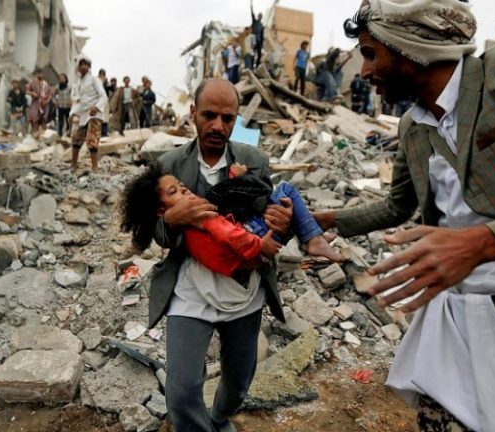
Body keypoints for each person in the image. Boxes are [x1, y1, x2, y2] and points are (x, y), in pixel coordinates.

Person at [313, 1, 495, 430]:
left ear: (407, 44)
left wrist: (484, 243)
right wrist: (330, 219)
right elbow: (398, 206)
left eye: (370, 53)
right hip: (450, 327)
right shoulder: (412, 127)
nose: (364, 72)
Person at [144, 78, 296, 432]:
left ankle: (219, 418)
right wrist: (172, 220)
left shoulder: (254, 161)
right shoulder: (168, 165)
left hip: (243, 289)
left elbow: (269, 222)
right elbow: (153, 233)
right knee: (182, 391)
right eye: (209, 115)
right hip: (191, 289)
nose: (217, 126)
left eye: (227, 118)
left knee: (239, 382)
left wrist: (283, 221)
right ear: (193, 113)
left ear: (236, 119)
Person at [122, 163, 341, 275]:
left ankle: (313, 230)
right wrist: (260, 246)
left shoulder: (195, 221)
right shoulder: (200, 216)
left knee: (283, 205)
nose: (184, 190)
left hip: (251, 241)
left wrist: (239, 177)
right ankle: (314, 237)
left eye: (182, 186)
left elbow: (234, 197)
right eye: (174, 192)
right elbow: (231, 235)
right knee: (287, 189)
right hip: (253, 242)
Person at [69, 55, 107, 171]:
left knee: (92, 139)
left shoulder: (94, 79)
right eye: (81, 64)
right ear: (78, 67)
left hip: (95, 113)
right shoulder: (79, 83)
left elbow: (103, 96)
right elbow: (80, 101)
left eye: (85, 64)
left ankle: (95, 167)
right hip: (84, 114)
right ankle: (73, 165)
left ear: (89, 66)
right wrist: (72, 113)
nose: (83, 67)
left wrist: (96, 107)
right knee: (76, 138)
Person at [250, 0, 265, 67]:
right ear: (258, 16)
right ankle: (251, 65)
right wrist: (251, 5)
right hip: (253, 39)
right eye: (259, 16)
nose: (260, 17)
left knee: (259, 54)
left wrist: (262, 44)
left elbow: (262, 35)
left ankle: (257, 65)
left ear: (261, 17)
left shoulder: (261, 25)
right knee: (253, 53)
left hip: (258, 40)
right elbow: (252, 14)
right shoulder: (255, 21)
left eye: (261, 16)